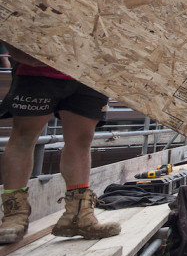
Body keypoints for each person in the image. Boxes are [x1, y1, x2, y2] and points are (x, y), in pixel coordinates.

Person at [0, 42, 121, 244]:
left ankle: (78, 215)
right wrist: (15, 41)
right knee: (24, 135)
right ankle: (14, 214)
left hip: (89, 69)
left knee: (82, 139)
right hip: (39, 66)